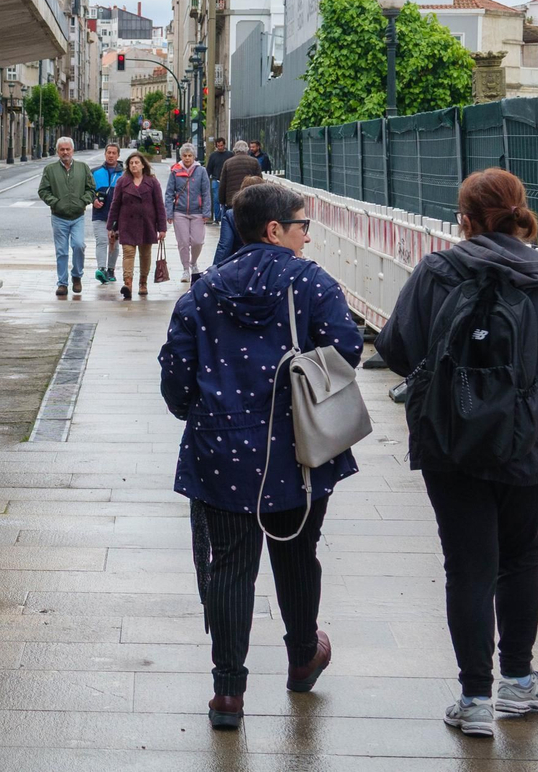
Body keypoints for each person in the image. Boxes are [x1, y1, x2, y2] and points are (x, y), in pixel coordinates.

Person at [372, 169, 538, 739]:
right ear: (521, 212)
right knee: (522, 558)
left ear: (465, 220)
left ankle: (474, 697)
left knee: (467, 565)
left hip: (450, 441)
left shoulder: (436, 273)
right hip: (533, 445)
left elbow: (396, 349)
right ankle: (519, 683)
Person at [159, 183, 361, 730]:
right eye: (301, 225)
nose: (306, 236)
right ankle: (303, 657)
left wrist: (200, 410)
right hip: (297, 448)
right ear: (275, 230)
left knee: (229, 565)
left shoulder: (204, 290)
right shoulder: (311, 282)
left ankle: (228, 692)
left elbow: (176, 375)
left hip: (220, 448)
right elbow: (347, 351)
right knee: (297, 555)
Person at [106, 151, 166, 298]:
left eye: (137, 163)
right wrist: (111, 226)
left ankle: (143, 283)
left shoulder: (152, 182)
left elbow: (159, 206)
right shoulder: (122, 181)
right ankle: (128, 283)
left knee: (145, 255)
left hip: (147, 224)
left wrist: (162, 228)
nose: (134, 165)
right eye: (131, 163)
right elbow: (115, 205)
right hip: (127, 224)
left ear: (143, 165)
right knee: (128, 253)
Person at [39, 136, 93, 297]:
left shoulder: (83, 167)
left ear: (72, 150)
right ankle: (62, 283)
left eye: (67, 149)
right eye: (62, 149)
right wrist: (55, 203)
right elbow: (43, 190)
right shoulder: (50, 169)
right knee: (61, 251)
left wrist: (83, 201)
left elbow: (91, 188)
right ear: (57, 152)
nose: (65, 152)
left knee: (79, 245)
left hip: (78, 216)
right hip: (59, 216)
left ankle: (77, 275)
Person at [165, 143, 209, 284]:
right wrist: (169, 213)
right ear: (181, 156)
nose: (187, 158)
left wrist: (206, 211)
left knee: (198, 241)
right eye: (185, 155)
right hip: (180, 211)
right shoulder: (175, 171)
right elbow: (169, 193)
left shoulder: (201, 171)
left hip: (198, 211)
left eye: (190, 155)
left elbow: (206, 192)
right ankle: (185, 269)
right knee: (183, 242)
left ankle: (193, 263)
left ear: (194, 156)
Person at [213, 175, 266, 266]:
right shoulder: (272, 215)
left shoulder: (231, 215)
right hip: (265, 262)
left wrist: (215, 268)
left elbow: (224, 246)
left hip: (239, 264)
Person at [91, 144, 124, 284]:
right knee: (101, 241)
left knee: (114, 243)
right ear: (105, 154)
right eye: (108, 152)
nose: (111, 155)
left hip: (117, 215)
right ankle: (102, 269)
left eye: (114, 153)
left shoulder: (124, 174)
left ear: (118, 155)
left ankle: (111, 269)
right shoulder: (95, 172)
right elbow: (88, 190)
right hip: (100, 213)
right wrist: (93, 200)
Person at [219, 139, 263, 207]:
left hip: (232, 199)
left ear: (235, 150)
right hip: (250, 199)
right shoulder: (254, 162)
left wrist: (222, 200)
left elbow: (223, 183)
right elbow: (259, 181)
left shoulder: (227, 163)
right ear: (247, 149)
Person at [205, 138, 233, 222]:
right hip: (216, 179)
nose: (220, 147)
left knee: (226, 199)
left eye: (221, 145)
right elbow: (209, 169)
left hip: (227, 180)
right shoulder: (213, 155)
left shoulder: (230, 155)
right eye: (218, 146)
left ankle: (224, 216)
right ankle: (218, 218)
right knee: (216, 199)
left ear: (224, 145)